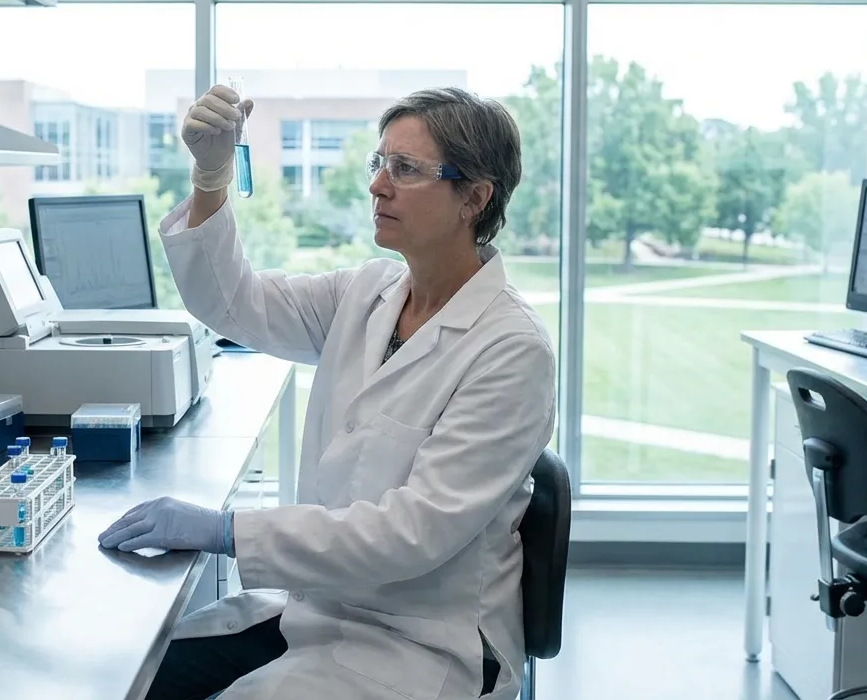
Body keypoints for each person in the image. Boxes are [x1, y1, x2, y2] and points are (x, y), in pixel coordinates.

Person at [98, 84, 557, 700]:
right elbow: (236, 305)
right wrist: (212, 175)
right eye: (380, 162)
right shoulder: (367, 293)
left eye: (406, 169)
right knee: (133, 676)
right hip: (321, 609)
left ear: (474, 197)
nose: (377, 185)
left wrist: (228, 532)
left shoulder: (510, 348)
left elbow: (409, 534)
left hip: (422, 641)